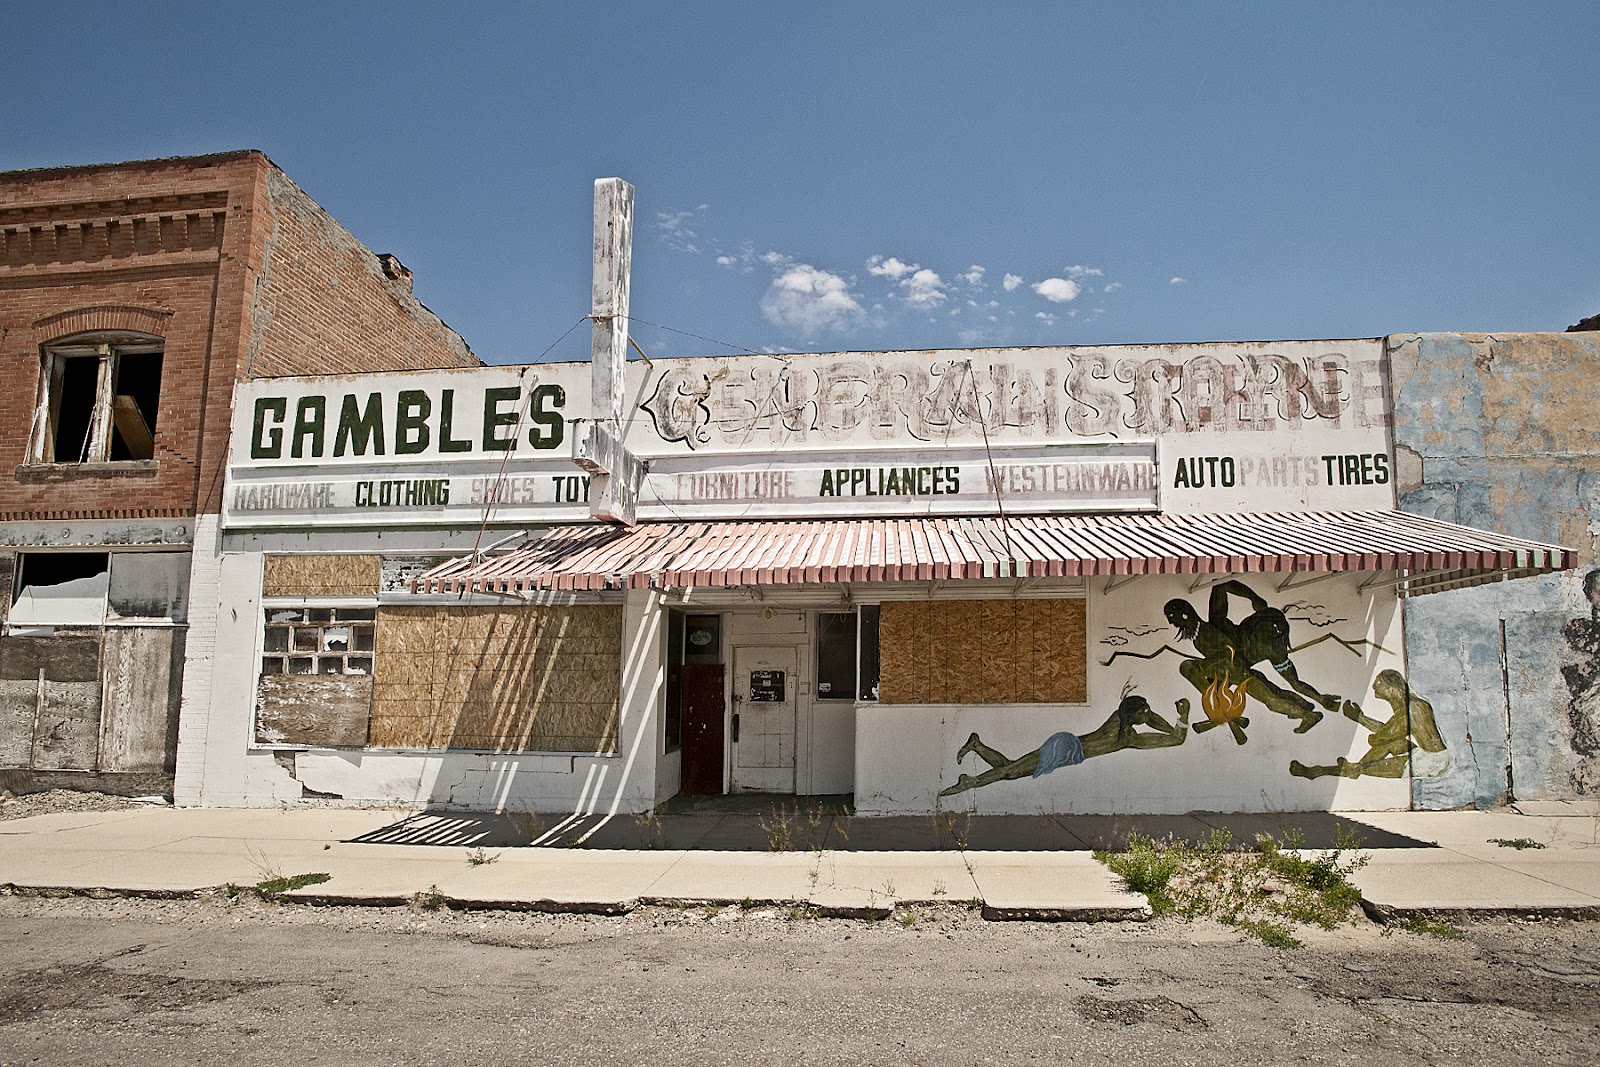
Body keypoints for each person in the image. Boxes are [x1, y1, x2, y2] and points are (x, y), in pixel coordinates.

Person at [1161, 580, 1337, 736]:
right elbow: (1224, 664)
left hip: (1242, 675)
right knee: (1275, 694)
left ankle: (1308, 715)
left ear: (1184, 614)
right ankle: (1307, 707)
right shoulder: (1201, 633)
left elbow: (1227, 651)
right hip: (1241, 673)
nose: (1171, 623)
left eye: (1172, 617)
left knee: (1271, 700)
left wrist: (1253, 598)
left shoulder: (1213, 624)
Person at [939, 688, 1190, 797]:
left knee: (1011, 769)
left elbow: (1156, 721)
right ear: (1134, 716)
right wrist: (1184, 718)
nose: (1148, 716)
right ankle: (970, 782)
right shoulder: (1127, 738)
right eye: (1144, 713)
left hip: (1066, 746)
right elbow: (1175, 740)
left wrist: (1177, 719)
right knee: (1010, 772)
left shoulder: (1120, 719)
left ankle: (977, 745)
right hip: (1064, 751)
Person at [1288, 669, 1449, 780]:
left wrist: (1362, 722)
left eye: (1379, 683)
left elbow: (1380, 738)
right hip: (1424, 754)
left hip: (1431, 764)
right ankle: (1354, 767)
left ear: (1392, 688)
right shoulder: (1409, 704)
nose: (1374, 687)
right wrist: (1360, 718)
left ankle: (1318, 772)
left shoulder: (1412, 709)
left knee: (1365, 764)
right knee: (1388, 744)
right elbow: (1388, 733)